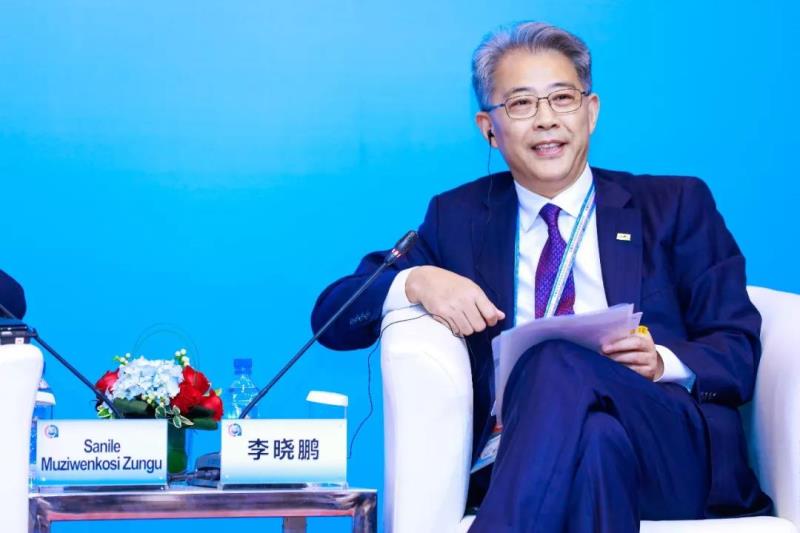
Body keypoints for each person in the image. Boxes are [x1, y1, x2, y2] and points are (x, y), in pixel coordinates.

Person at [311, 21, 770, 532]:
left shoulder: (674, 205)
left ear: (590, 112)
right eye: (522, 104)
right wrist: (415, 282)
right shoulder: (458, 218)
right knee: (597, 443)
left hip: (668, 450)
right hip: (528, 456)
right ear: (489, 127)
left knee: (552, 358)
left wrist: (662, 361)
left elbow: (737, 349)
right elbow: (332, 318)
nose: (546, 120)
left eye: (562, 99)